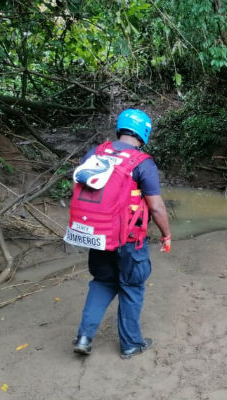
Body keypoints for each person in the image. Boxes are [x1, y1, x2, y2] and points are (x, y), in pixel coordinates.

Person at [68, 109, 171, 359]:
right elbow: (156, 207)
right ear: (144, 132)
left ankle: (84, 337)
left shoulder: (96, 152)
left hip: (97, 235)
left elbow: (80, 186)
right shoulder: (142, 162)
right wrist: (166, 234)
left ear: (120, 128)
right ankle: (131, 344)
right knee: (131, 286)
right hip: (129, 240)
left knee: (102, 282)